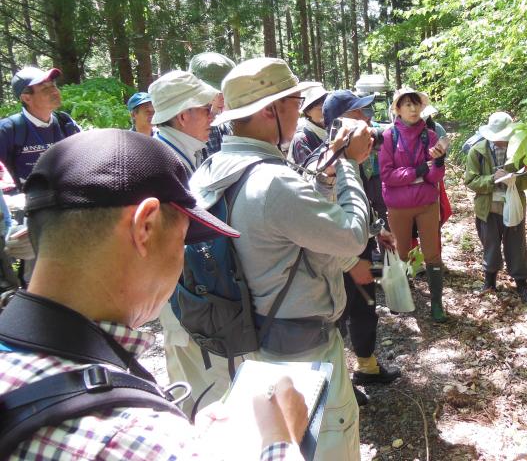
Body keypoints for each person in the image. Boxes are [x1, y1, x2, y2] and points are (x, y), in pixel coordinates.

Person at [0, 129, 308, 460]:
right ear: (145, 226)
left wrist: (181, 435)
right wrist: (281, 438)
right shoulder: (132, 438)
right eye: (183, 241)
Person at [191, 57, 373, 461]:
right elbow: (351, 237)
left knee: (281, 444)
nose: (299, 108)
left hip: (250, 335)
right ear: (269, 110)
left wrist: (326, 170)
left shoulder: (213, 168)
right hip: (303, 351)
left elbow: (287, 226)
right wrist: (348, 166)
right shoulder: (272, 181)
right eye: (293, 100)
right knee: (328, 445)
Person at [148, 69, 229, 410]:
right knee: (208, 395)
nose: (212, 116)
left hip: (193, 301)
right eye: (205, 108)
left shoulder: (179, 155)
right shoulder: (163, 164)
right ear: (183, 116)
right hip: (187, 305)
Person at [321, 90, 401, 403]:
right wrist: (348, 262)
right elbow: (322, 214)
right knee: (336, 317)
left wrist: (378, 228)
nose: (368, 120)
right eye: (359, 114)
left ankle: (366, 366)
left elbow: (366, 195)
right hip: (338, 252)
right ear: (340, 121)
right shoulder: (325, 156)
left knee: (365, 307)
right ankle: (337, 383)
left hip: (362, 242)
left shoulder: (357, 150)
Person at [379, 87, 448, 322]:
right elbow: (387, 175)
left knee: (433, 254)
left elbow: (434, 177)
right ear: (397, 109)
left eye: (416, 103)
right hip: (399, 207)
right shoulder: (390, 136)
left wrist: (438, 162)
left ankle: (437, 304)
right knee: (401, 253)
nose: (413, 108)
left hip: (427, 203)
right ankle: (401, 297)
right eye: (407, 104)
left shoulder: (430, 135)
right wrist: (416, 171)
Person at [464, 112, 527, 302]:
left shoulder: (519, 151)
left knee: (517, 247)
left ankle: (522, 284)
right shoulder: (477, 152)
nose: (501, 141)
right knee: (490, 246)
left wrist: (513, 181)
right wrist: (491, 179)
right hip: (488, 209)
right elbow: (470, 181)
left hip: (513, 207)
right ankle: (490, 282)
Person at [0, 66, 80, 191]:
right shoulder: (7, 130)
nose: (55, 91)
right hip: (24, 204)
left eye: (53, 86)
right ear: (26, 98)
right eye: (45, 89)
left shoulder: (65, 122)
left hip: (64, 201)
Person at [188, 52, 237, 156]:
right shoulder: (184, 131)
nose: (222, 98)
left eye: (226, 92)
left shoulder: (222, 125)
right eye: (216, 92)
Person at [288, 84, 328, 165]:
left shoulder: (333, 129)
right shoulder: (301, 139)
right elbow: (309, 172)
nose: (326, 110)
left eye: (327, 105)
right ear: (307, 111)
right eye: (321, 108)